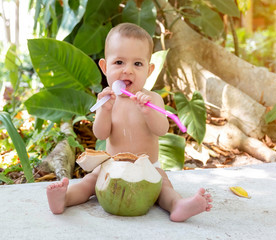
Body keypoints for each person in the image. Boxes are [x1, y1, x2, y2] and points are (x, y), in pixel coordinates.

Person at [46, 23, 212, 222]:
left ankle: (177, 206)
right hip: (112, 164)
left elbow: (161, 129)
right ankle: (64, 198)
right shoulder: (107, 101)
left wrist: (148, 112)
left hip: (147, 165)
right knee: (89, 182)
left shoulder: (152, 99)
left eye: (137, 64)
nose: (128, 71)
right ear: (105, 67)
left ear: (149, 70)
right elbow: (100, 134)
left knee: (164, 186)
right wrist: (104, 112)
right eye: (119, 62)